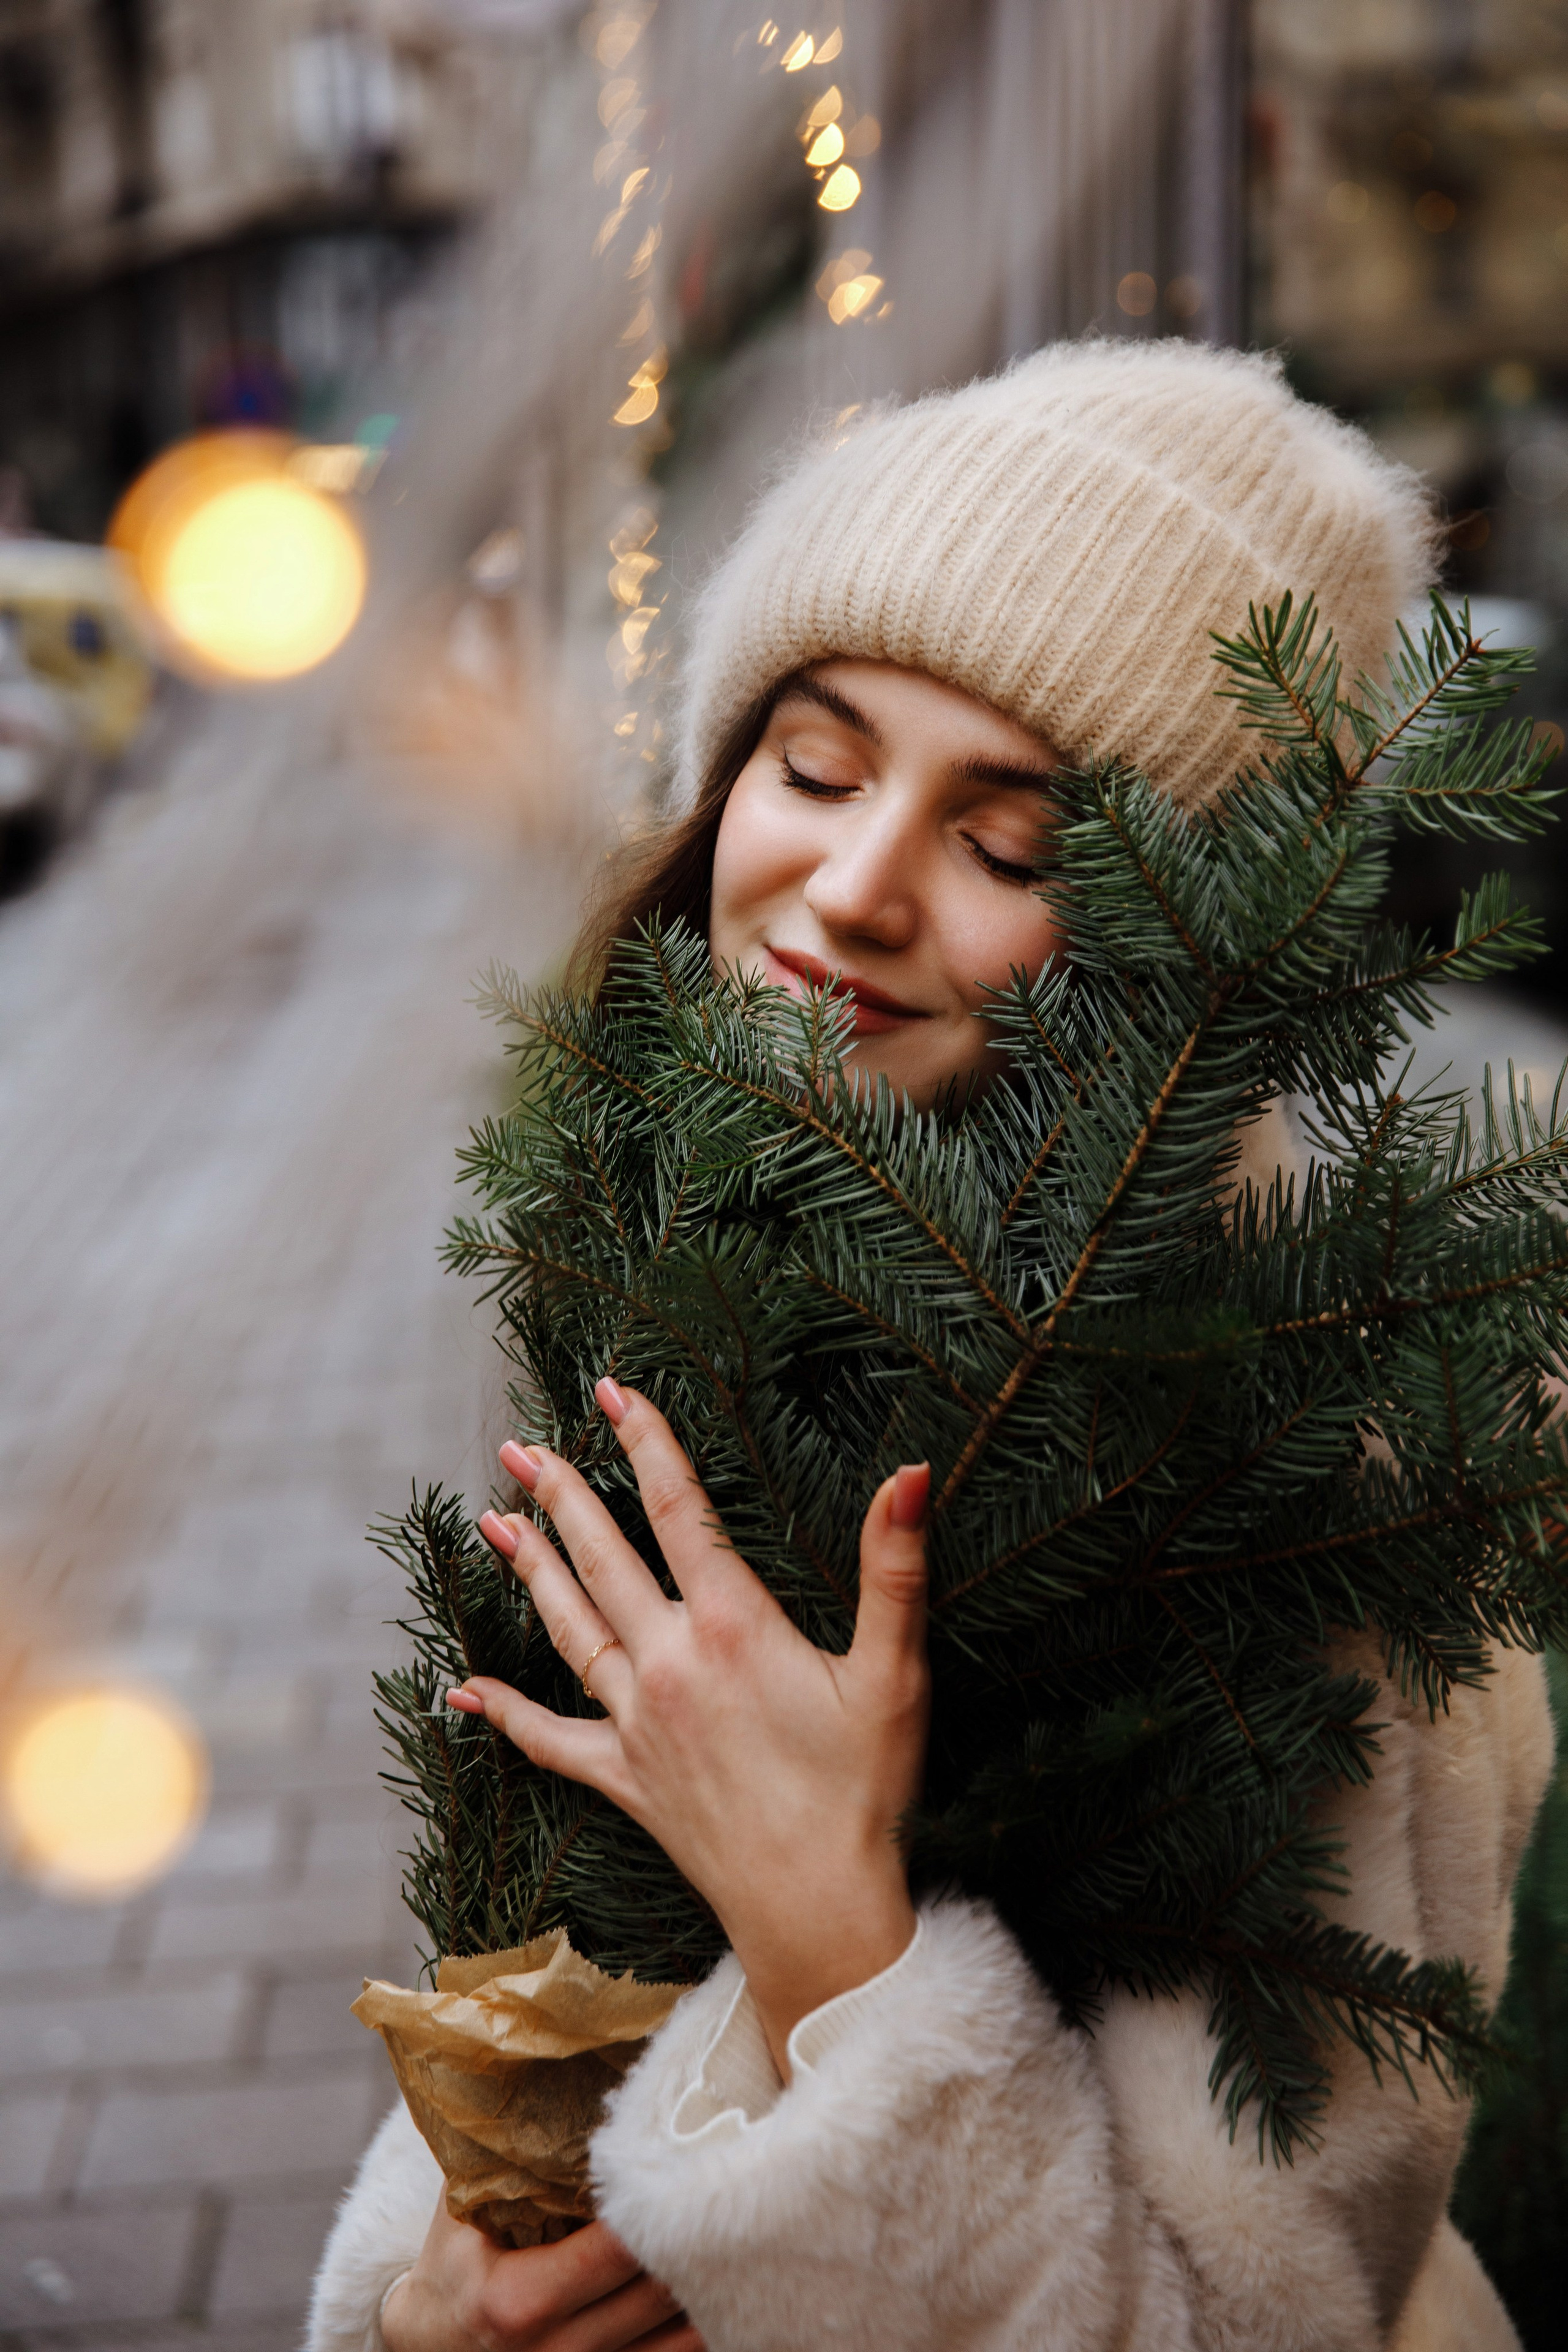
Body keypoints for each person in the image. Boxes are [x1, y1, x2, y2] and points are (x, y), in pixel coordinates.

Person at [308, 342, 1554, 2352]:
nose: (857, 887)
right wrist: (431, 2303)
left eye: (1012, 845)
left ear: (1188, 945)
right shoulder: (663, 1241)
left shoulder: (1296, 1482)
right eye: (814, 765)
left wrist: (834, 1943)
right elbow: (545, 1968)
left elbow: (1263, 2315)